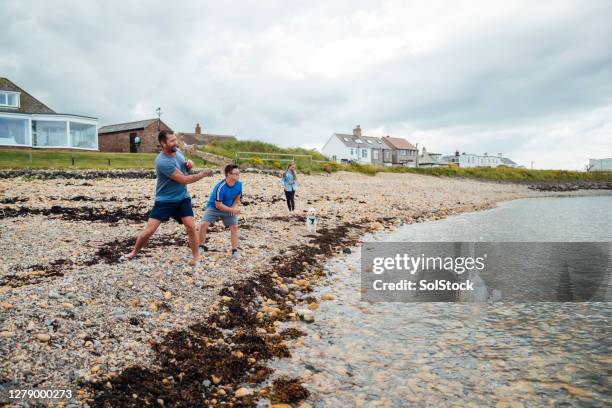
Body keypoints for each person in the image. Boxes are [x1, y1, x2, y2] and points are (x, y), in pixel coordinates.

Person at [125, 130, 213, 265]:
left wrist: (189, 165)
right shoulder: (162, 161)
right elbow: (183, 179)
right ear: (163, 143)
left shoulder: (178, 153)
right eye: (172, 141)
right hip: (165, 200)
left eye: (175, 140)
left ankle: (196, 258)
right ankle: (134, 252)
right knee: (150, 230)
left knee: (190, 226)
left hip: (182, 198)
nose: (175, 143)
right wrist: (203, 174)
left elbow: (185, 171)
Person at [198, 164, 243, 259]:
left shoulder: (239, 184)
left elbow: (237, 197)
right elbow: (218, 205)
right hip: (214, 207)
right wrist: (232, 210)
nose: (238, 176)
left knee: (234, 227)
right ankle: (200, 246)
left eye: (239, 173)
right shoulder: (220, 187)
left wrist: (233, 207)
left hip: (228, 207)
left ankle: (234, 250)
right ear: (228, 174)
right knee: (203, 224)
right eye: (235, 174)